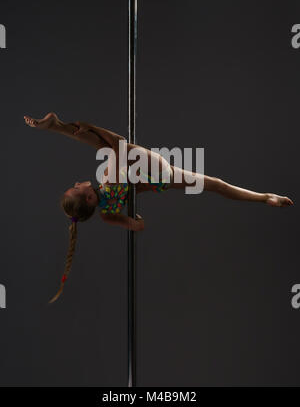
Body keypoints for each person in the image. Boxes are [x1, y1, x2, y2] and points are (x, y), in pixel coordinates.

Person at [24, 112, 294, 303]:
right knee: (107, 145)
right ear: (89, 199)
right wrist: (90, 126)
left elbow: (137, 225)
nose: (76, 183)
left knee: (217, 185)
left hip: (158, 178)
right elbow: (117, 143)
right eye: (76, 189)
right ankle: (57, 126)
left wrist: (135, 217)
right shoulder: (109, 179)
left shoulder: (106, 212)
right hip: (156, 169)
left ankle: (266, 197)